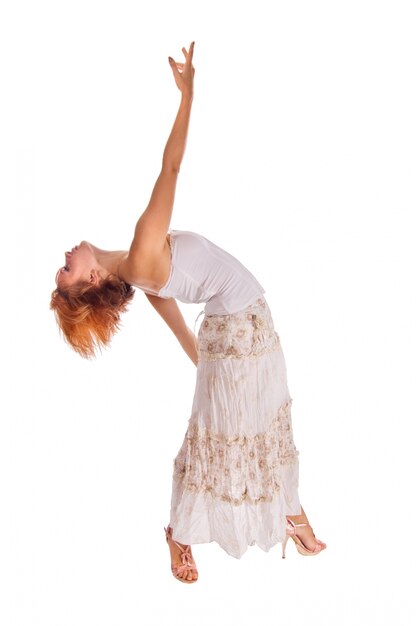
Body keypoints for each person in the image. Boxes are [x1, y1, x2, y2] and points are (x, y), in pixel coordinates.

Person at [50, 41, 327, 584]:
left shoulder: (138, 272)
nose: (63, 259)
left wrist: (213, 377)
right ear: (91, 280)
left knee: (245, 424)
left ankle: (264, 517)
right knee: (237, 430)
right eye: (65, 271)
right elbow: (171, 167)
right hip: (242, 328)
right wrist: (188, 95)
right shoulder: (143, 251)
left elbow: (183, 333)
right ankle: (241, 524)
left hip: (239, 331)